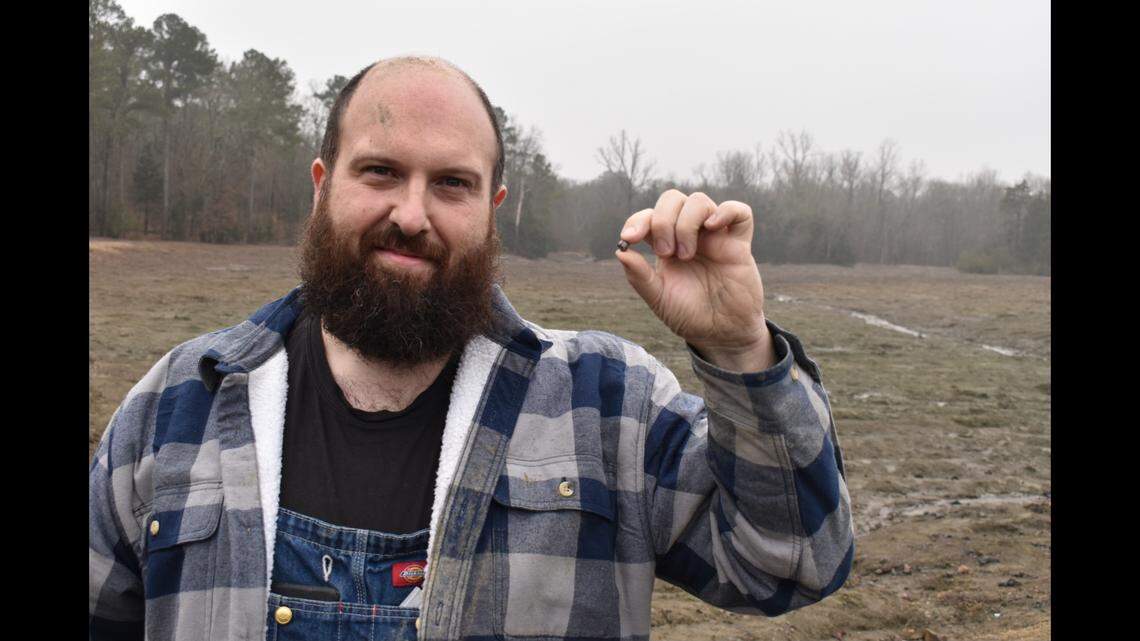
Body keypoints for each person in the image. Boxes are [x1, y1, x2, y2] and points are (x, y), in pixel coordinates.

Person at [89, 56, 853, 641]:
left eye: (451, 184)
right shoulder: (178, 403)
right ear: (323, 185)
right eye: (381, 171)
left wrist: (737, 347)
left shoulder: (607, 404)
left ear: (492, 211)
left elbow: (790, 562)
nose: (412, 215)